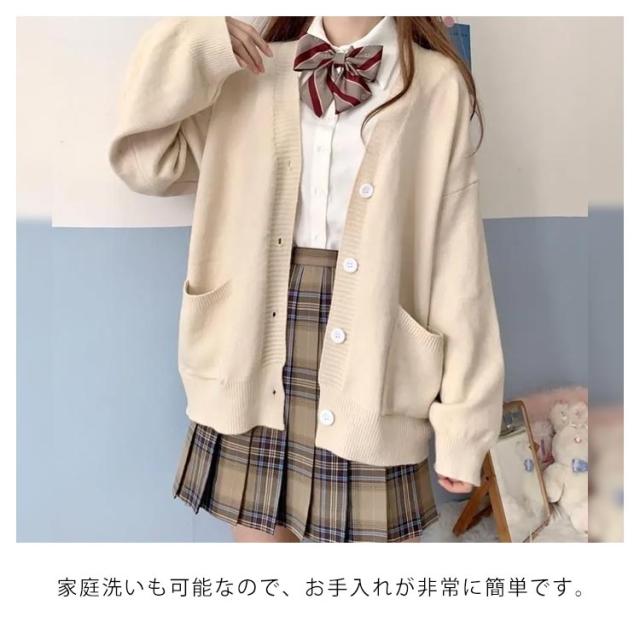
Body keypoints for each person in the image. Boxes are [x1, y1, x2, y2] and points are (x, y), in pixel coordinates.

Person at [108, 15, 505, 543]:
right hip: (252, 352)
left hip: (374, 364)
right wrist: (197, 48)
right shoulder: (247, 69)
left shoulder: (436, 85)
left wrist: (464, 425)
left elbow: (459, 263)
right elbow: (144, 163)